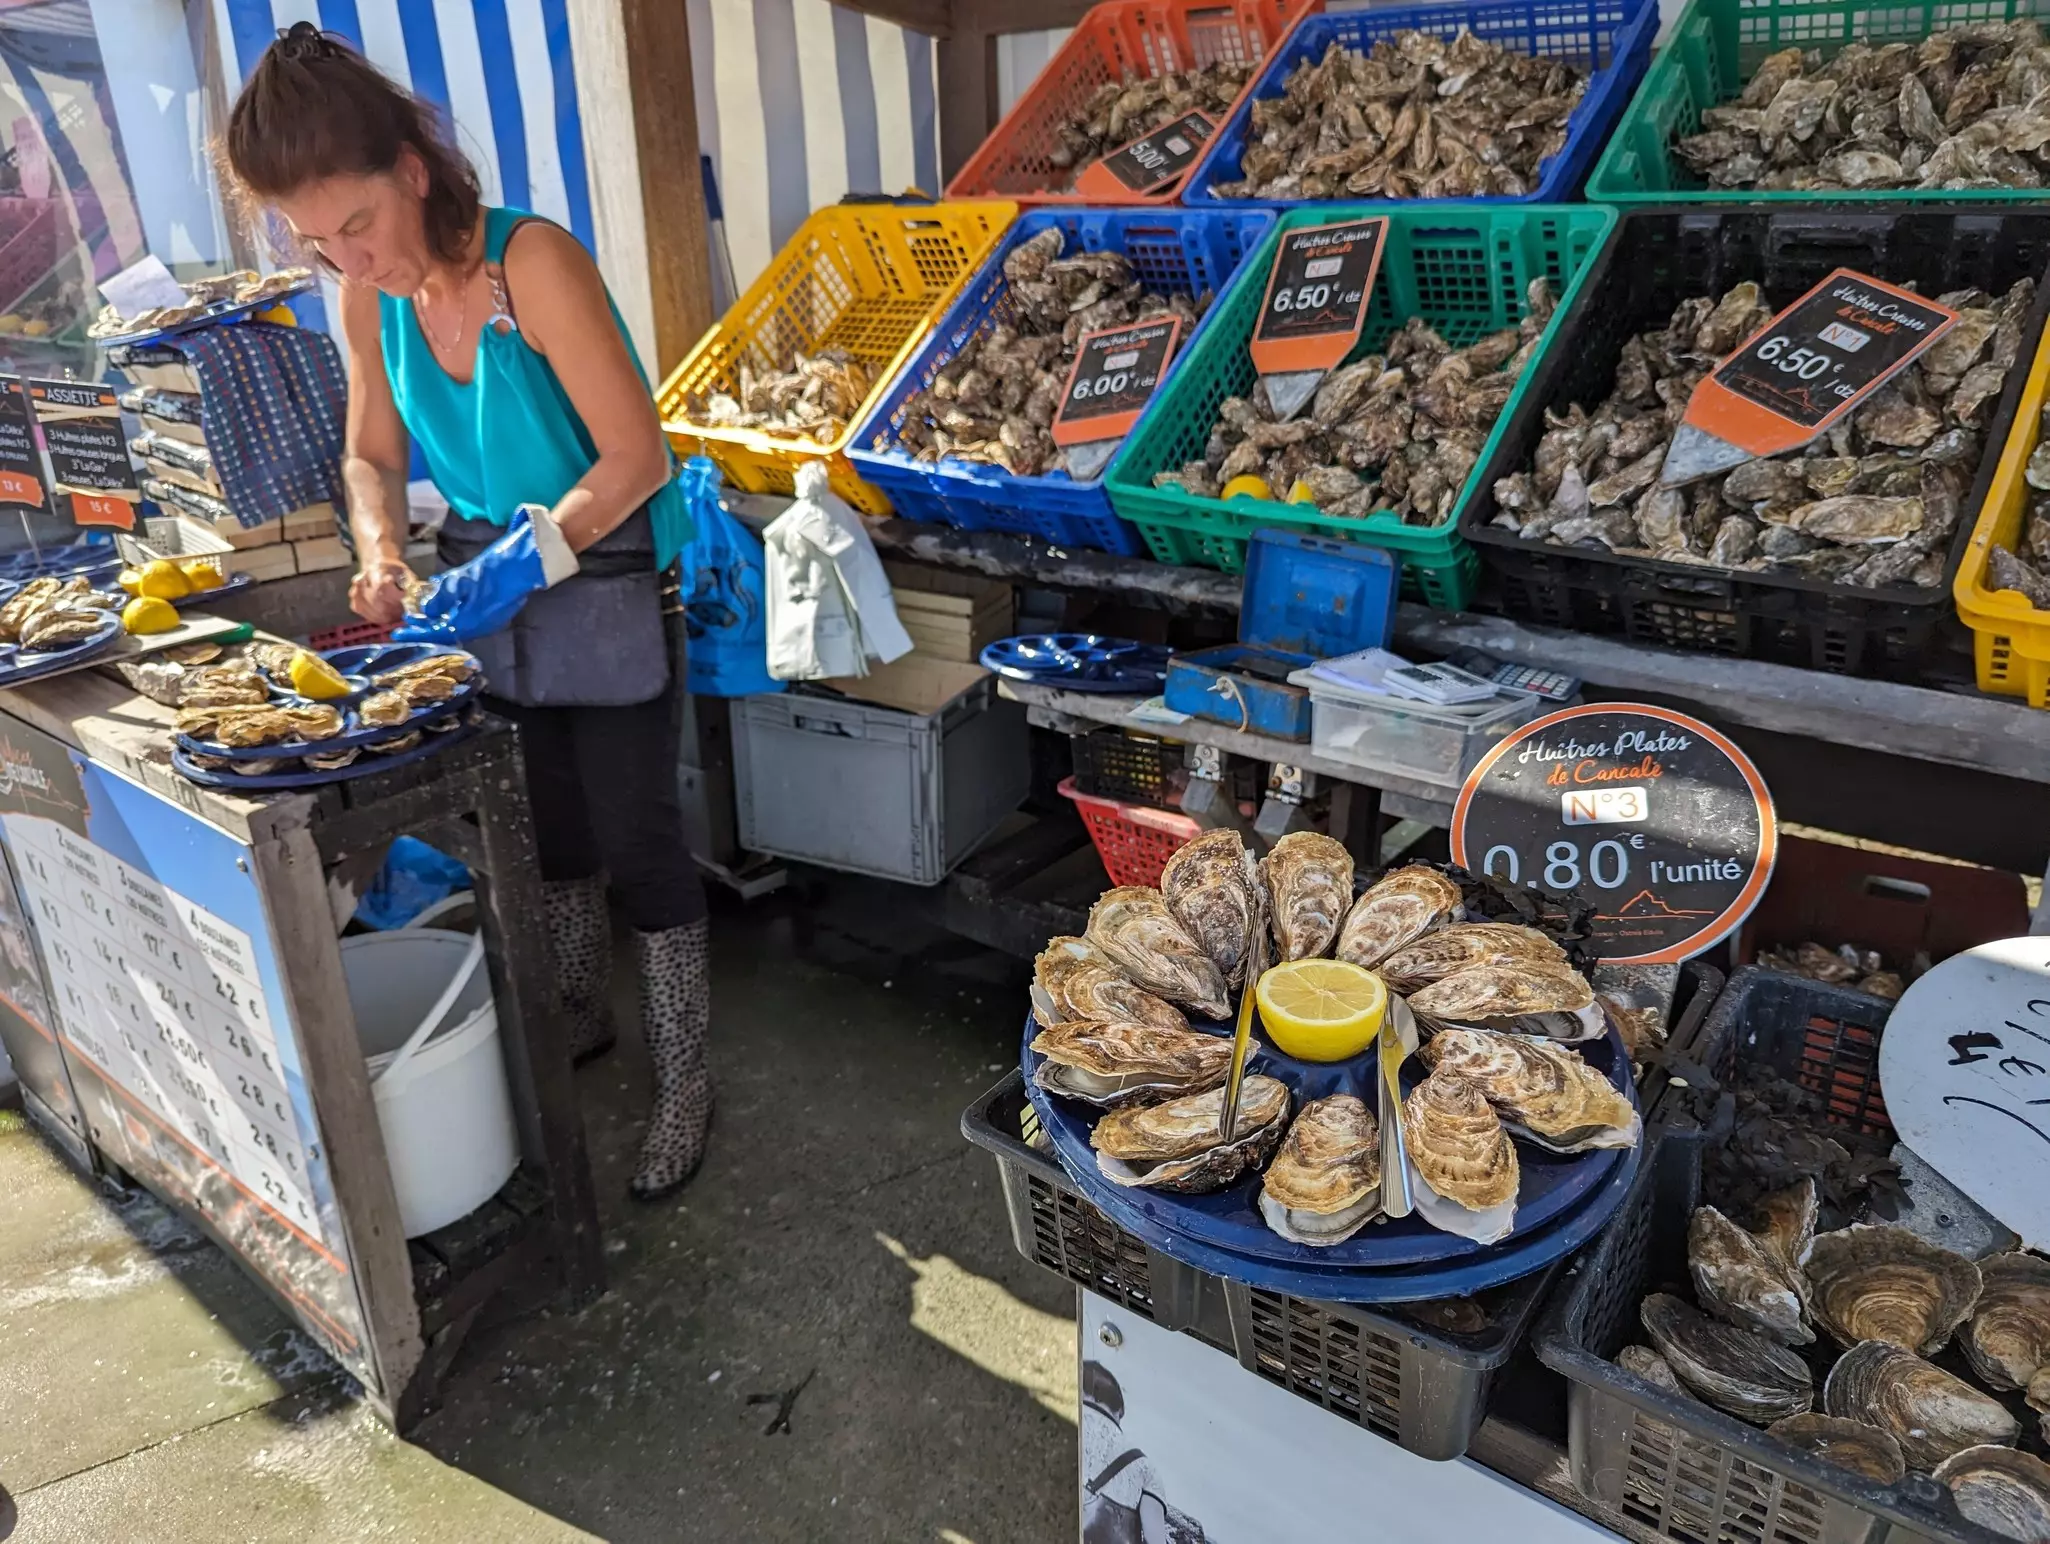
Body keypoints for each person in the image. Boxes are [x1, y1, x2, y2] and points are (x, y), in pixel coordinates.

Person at [225, 23, 712, 1201]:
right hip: (480, 581)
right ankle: (584, 1013)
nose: (349, 258)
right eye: (314, 241)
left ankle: (686, 1079)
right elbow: (370, 455)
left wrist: (536, 552)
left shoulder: (528, 262)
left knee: (639, 838)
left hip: (598, 570)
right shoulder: (365, 304)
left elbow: (636, 454)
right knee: (541, 828)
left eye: (357, 224)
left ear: (414, 171)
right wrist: (384, 547)